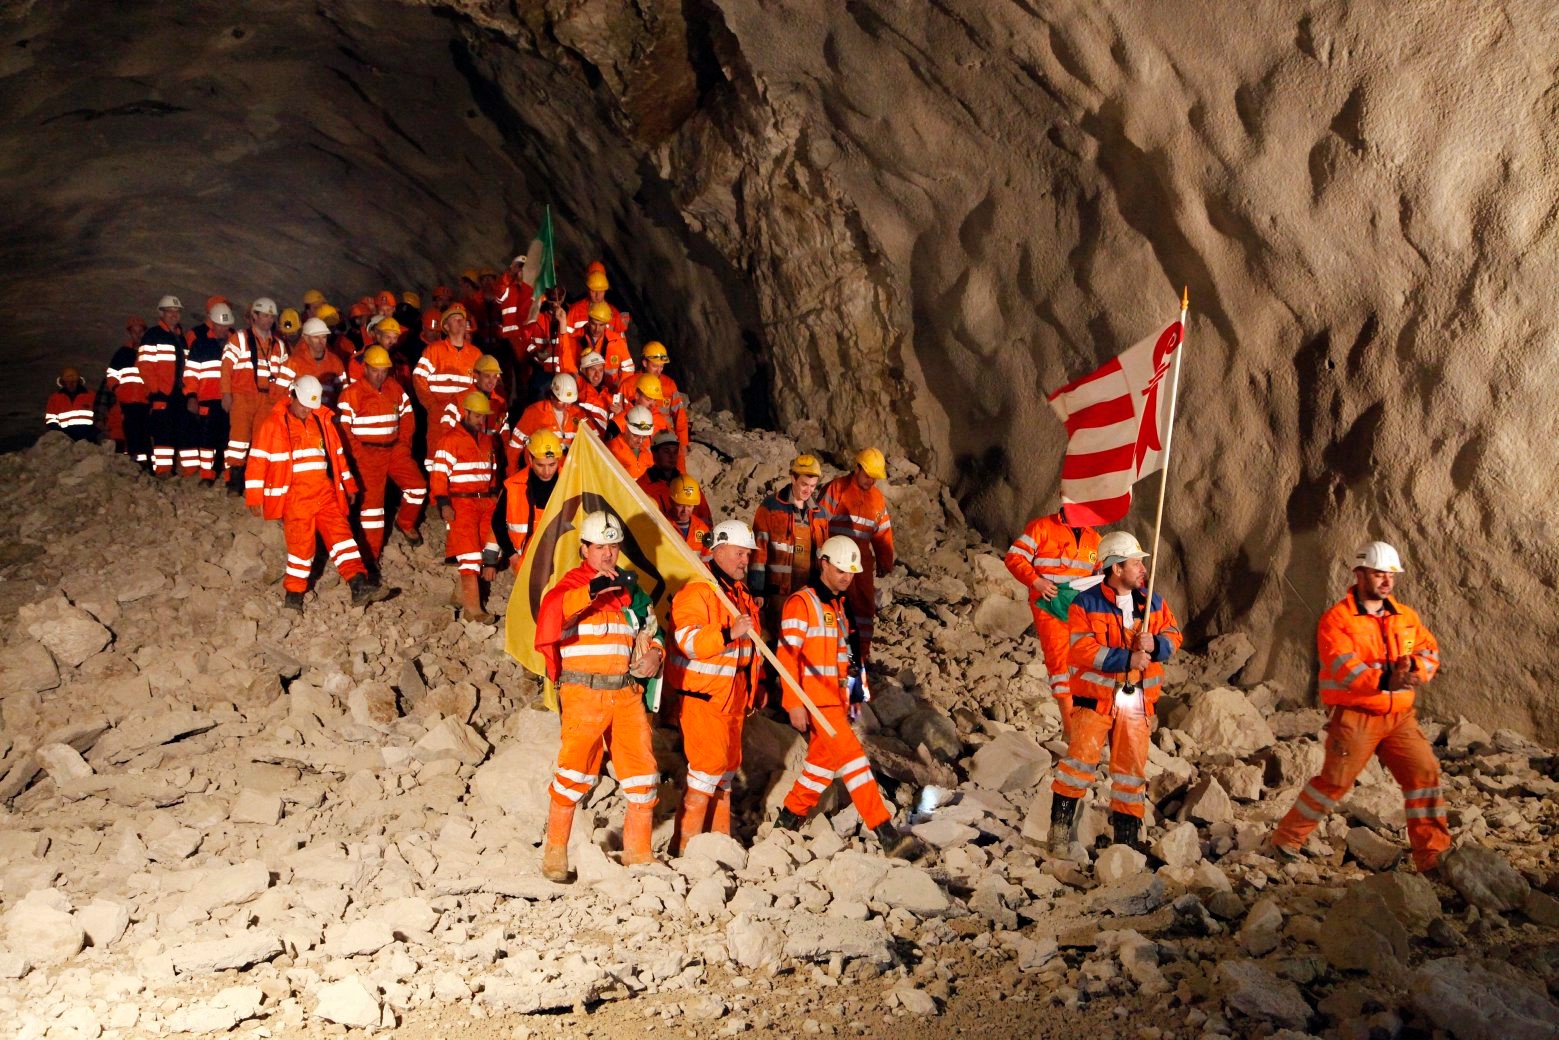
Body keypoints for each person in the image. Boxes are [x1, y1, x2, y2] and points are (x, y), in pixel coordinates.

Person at [1270, 541, 1449, 873]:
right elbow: (1346, 668)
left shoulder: (1405, 617)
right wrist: (1385, 681)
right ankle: (1286, 839)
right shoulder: (1337, 620)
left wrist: (1415, 670)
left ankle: (1432, 857)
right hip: (1356, 717)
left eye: (1390, 574)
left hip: (1400, 718)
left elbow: (1429, 651)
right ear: (1359, 573)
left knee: (1424, 774)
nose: (1386, 581)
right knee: (1334, 782)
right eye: (1379, 573)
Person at [772, 536, 923, 860]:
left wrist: (856, 695)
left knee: (818, 768)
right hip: (816, 701)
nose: (846, 577)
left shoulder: (838, 607)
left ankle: (784, 826)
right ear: (823, 563)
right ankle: (887, 835)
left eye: (850, 573)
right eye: (841, 570)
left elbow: (850, 657)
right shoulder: (803, 603)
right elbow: (786, 657)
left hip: (837, 701)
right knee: (855, 761)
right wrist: (793, 702)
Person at [534, 510, 665, 880]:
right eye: (600, 547)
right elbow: (553, 615)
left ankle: (638, 853)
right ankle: (555, 854)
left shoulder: (631, 591)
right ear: (584, 549)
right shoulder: (570, 586)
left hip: (625, 695)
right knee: (573, 771)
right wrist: (592, 590)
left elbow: (654, 630)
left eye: (613, 546)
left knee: (642, 773)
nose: (608, 554)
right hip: (584, 694)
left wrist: (655, 653)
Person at [1048, 530, 1182, 857]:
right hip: (1095, 702)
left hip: (1135, 704)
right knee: (1078, 765)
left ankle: (1127, 845)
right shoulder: (1085, 603)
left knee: (1130, 774)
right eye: (1135, 562)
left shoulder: (1153, 602)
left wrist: (1158, 645)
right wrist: (1127, 658)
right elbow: (1081, 649)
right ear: (1116, 568)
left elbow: (1174, 634)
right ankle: (1059, 835)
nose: (1141, 568)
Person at [246, 375, 389, 611]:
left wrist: (349, 485)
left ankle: (359, 586)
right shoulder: (273, 424)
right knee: (302, 550)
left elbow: (338, 457)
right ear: (292, 395)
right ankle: (294, 596)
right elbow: (258, 461)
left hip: (324, 492)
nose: (306, 411)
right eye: (303, 405)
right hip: (295, 497)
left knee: (343, 538)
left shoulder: (322, 421)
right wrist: (254, 496)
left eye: (310, 406)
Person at [667, 520, 764, 854]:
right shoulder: (698, 592)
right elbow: (688, 642)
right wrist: (727, 633)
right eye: (739, 554)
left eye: (747, 556)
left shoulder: (739, 594)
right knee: (706, 772)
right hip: (705, 699)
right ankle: (684, 848)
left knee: (725, 774)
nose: (744, 562)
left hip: (734, 699)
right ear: (718, 550)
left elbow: (750, 651)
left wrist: (757, 688)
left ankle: (719, 844)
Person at [1004, 506, 1101, 738]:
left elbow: (1101, 577)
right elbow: (1014, 557)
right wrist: (1036, 581)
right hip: (1049, 605)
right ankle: (1072, 732)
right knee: (1059, 664)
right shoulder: (1042, 527)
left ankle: (1088, 728)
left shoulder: (1094, 538)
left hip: (1081, 610)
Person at [337, 346, 426, 559]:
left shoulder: (393, 387)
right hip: (368, 455)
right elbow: (343, 429)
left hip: (394, 449)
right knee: (372, 510)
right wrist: (359, 454)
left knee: (418, 487)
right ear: (365, 368)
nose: (380, 375)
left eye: (384, 371)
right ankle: (370, 557)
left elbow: (407, 415)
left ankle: (405, 523)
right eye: (375, 370)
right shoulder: (351, 394)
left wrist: (403, 444)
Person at [430, 391, 503, 623]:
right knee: (470, 554)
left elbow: (492, 472)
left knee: (488, 550)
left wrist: (493, 496)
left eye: (483, 416)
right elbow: (439, 474)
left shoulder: (487, 440)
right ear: (466, 412)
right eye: (477, 415)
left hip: (484, 502)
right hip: (461, 502)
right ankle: (474, 611)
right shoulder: (450, 440)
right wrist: (443, 502)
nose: (480, 420)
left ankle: (460, 595)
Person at [817, 448, 895, 664]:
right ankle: (829, 652)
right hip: (834, 559)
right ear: (857, 468)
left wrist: (884, 560)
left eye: (874, 478)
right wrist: (819, 554)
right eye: (868, 475)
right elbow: (819, 522)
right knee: (831, 603)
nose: (871, 481)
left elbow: (883, 533)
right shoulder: (837, 489)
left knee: (863, 607)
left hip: (860, 563)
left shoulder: (877, 499)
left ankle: (860, 656)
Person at [749, 453, 829, 634]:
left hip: (807, 592)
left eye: (813, 486)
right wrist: (757, 590)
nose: (808, 490)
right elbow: (758, 552)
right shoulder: (770, 507)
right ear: (793, 478)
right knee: (777, 639)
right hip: (777, 593)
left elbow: (823, 558)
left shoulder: (820, 513)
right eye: (804, 484)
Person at [220, 298, 281, 494]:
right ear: (254, 316)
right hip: (243, 396)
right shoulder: (239, 338)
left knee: (260, 442)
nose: (268, 320)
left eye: (271, 316)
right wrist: (226, 394)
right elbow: (226, 368)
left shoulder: (278, 344)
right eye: (265, 315)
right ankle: (234, 481)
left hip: (267, 399)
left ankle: (255, 481)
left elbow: (284, 374)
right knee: (238, 439)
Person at [182, 302, 233, 483]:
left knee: (229, 439)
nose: (223, 329)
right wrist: (191, 396)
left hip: (229, 399)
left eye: (226, 326)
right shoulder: (201, 345)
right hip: (207, 399)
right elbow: (191, 374)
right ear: (212, 324)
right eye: (220, 325)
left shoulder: (235, 343)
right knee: (206, 439)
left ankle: (229, 476)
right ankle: (207, 475)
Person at [413, 304, 481, 439]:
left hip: (465, 419)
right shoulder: (434, 350)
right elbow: (418, 377)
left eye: (462, 318)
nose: (461, 321)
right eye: (455, 318)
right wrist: (432, 405)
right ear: (446, 327)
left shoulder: (475, 354)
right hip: (439, 417)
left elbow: (482, 386)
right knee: (437, 456)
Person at [502, 429, 564, 567]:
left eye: (552, 464)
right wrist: (512, 555)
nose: (547, 472)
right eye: (540, 465)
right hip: (525, 564)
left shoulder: (570, 482)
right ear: (530, 459)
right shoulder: (513, 485)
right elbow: (497, 523)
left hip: (562, 561)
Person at [139, 294, 186, 476]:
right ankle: (163, 472)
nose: (174, 315)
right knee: (163, 433)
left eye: (177, 311)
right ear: (161, 313)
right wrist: (155, 390)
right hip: (162, 394)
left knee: (177, 431)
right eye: (169, 311)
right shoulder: (153, 335)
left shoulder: (181, 338)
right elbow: (144, 365)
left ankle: (178, 471)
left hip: (178, 394)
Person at [507, 373, 584, 470]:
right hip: (540, 474)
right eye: (562, 401)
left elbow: (592, 444)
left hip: (569, 475)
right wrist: (512, 475)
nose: (566, 406)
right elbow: (515, 446)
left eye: (569, 402)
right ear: (552, 396)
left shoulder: (579, 414)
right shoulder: (535, 412)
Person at [639, 431, 712, 524]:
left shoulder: (688, 484)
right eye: (666, 451)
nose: (672, 456)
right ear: (654, 453)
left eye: (675, 451)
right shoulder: (642, 487)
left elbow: (705, 519)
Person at [273, 318, 347, 409]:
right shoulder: (293, 362)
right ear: (306, 338)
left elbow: (344, 393)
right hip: (301, 415)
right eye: (316, 337)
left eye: (324, 337)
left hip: (326, 416)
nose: (321, 341)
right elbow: (279, 393)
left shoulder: (336, 362)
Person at [107, 318, 151, 467]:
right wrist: (117, 390)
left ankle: (147, 465)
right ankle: (134, 463)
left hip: (145, 401)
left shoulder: (150, 353)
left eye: (140, 332)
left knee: (145, 433)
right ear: (130, 333)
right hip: (128, 402)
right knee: (131, 432)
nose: (138, 335)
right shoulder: (122, 353)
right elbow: (112, 375)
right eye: (135, 332)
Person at [560, 301, 633, 387]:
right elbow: (567, 364)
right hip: (582, 390)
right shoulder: (575, 338)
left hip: (608, 391)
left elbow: (628, 368)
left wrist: (621, 390)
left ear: (606, 324)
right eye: (594, 324)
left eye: (601, 325)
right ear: (588, 320)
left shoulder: (617, 341)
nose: (597, 329)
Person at [638, 342, 688, 464]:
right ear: (645, 363)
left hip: (663, 439)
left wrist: (683, 443)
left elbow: (680, 416)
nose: (659, 370)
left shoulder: (669, 385)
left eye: (661, 366)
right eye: (655, 366)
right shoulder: (633, 383)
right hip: (640, 438)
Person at [44, 367, 98, 442]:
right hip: (65, 439)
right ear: (63, 382)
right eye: (68, 382)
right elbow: (51, 419)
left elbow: (100, 416)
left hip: (88, 439)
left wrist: (94, 432)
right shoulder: (55, 398)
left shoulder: (91, 396)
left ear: (78, 381)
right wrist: (59, 433)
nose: (71, 384)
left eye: (74, 381)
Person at [666, 476, 712, 561]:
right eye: (680, 505)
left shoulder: (702, 528)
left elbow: (708, 560)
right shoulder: (662, 524)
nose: (685, 510)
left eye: (689, 506)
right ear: (671, 501)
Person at [574, 350, 619, 435]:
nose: (597, 375)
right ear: (583, 370)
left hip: (601, 443)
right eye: (592, 370)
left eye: (600, 370)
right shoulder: (575, 387)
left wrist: (618, 415)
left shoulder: (608, 395)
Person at [608, 407, 656, 478]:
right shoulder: (612, 450)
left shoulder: (646, 453)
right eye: (636, 435)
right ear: (626, 428)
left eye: (644, 437)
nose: (640, 441)